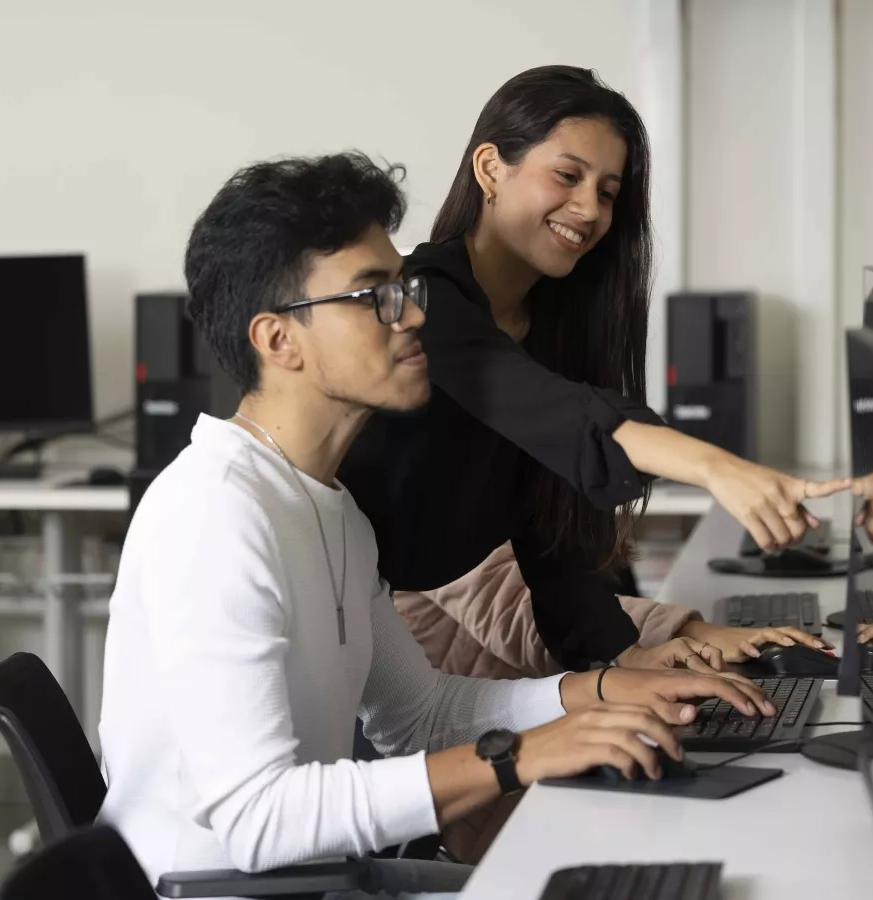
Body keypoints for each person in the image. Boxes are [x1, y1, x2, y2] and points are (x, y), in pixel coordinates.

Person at [96, 153, 776, 893]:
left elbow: (419, 715)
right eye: (375, 296)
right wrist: (520, 756)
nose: (414, 314)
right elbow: (256, 818)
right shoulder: (215, 513)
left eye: (406, 288)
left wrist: (603, 691)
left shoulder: (331, 508)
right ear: (278, 339)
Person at [339, 66, 848, 673]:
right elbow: (550, 411)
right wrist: (718, 469)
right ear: (490, 168)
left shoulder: (553, 325)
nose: (588, 210)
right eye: (567, 175)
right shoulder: (424, 303)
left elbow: (553, 537)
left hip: (395, 655)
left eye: (607, 192)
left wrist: (630, 660)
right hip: (348, 642)